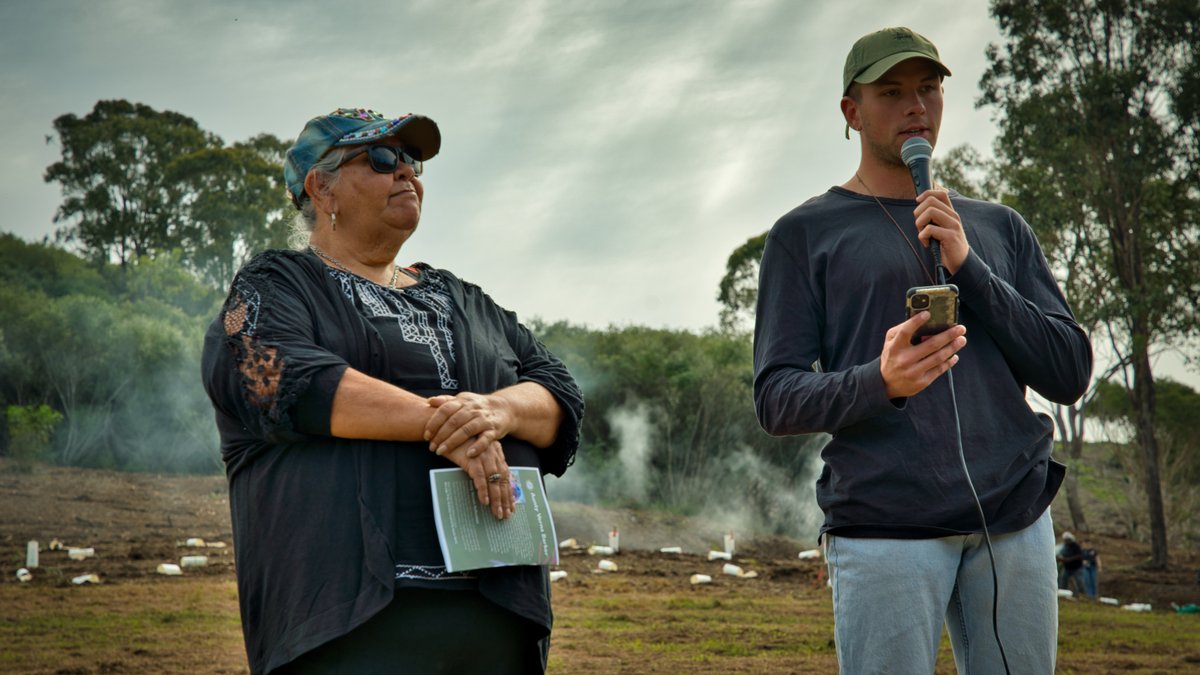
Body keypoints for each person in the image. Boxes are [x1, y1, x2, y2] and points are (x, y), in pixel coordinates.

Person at [753, 27, 1093, 674]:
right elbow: (776, 397)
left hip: (1013, 523)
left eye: (929, 88)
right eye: (892, 91)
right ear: (851, 112)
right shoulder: (805, 235)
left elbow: (1069, 370)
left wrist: (971, 266)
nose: (917, 106)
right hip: (884, 527)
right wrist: (880, 381)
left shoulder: (997, 227)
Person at [201, 107, 584, 675]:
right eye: (382, 159)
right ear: (320, 186)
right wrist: (445, 426)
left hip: (496, 612)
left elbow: (559, 396)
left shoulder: (464, 299)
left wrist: (491, 411)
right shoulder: (276, 285)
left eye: (413, 161)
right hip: (349, 621)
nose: (406, 173)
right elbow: (279, 376)